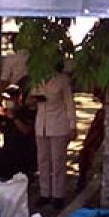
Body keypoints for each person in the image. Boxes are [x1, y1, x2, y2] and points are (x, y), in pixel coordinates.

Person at [31, 59, 78, 209]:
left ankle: (58, 194)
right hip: (41, 124)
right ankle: (45, 192)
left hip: (58, 124)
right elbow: (31, 98)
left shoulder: (62, 80)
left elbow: (69, 103)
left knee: (57, 161)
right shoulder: (37, 79)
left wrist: (72, 125)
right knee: (43, 160)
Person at [0, 85, 37, 180]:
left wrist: (13, 118)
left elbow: (26, 130)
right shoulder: (4, 112)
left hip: (23, 151)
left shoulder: (26, 112)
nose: (8, 102)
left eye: (11, 99)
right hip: (8, 149)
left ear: (18, 98)